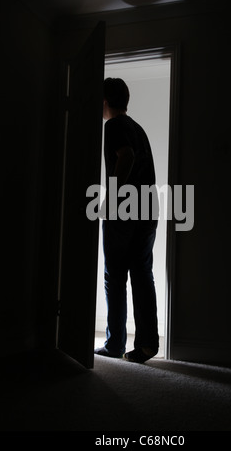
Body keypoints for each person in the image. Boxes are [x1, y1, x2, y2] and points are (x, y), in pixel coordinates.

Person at [94, 78, 159, 363]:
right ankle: (147, 345)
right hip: (148, 207)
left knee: (115, 276)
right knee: (142, 273)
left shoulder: (114, 125)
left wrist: (112, 199)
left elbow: (126, 156)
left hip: (125, 208)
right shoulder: (139, 128)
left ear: (105, 101)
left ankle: (115, 344)